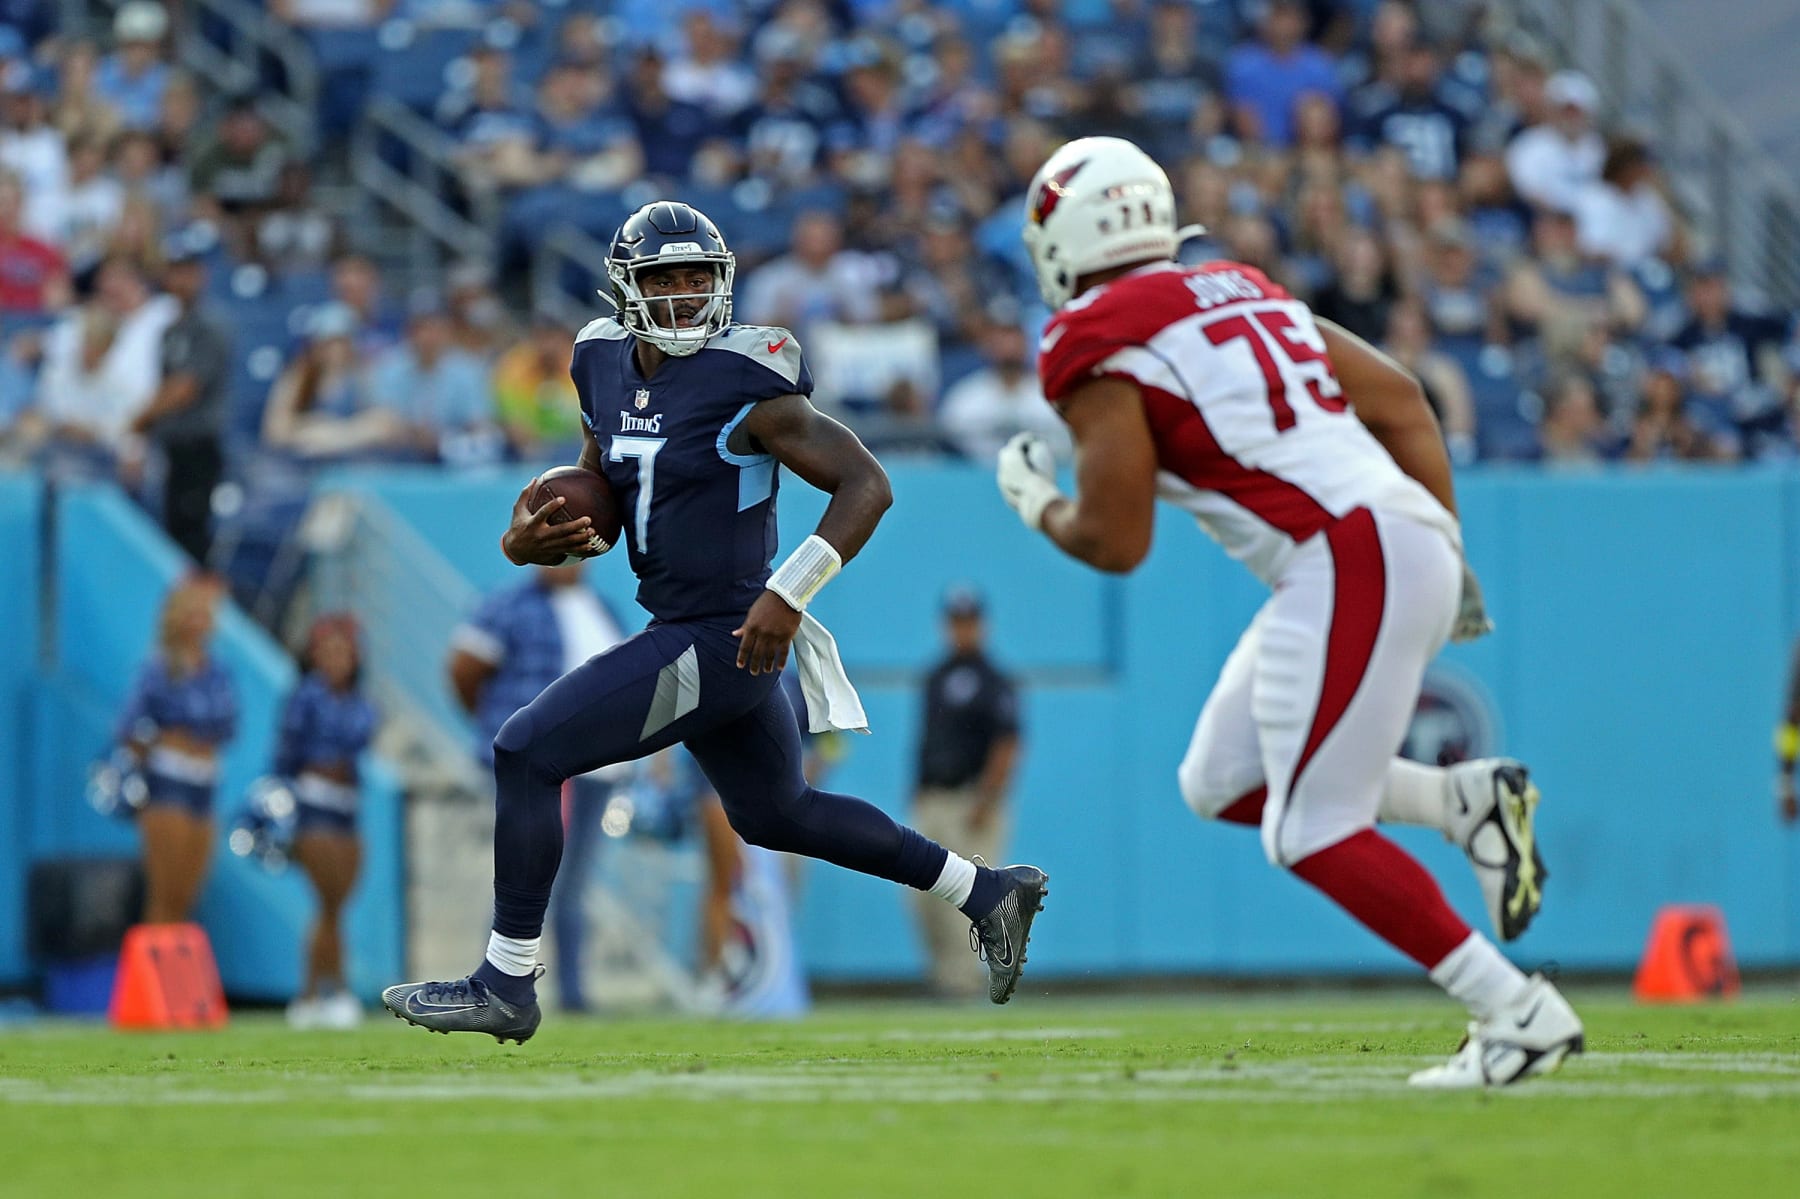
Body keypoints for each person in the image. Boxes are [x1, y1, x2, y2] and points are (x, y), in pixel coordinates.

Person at [384, 201, 1048, 1041]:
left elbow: (867, 483)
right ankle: (987, 892)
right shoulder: (598, 360)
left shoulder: (748, 377)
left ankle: (506, 981)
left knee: (525, 748)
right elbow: (608, 490)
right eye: (667, 277)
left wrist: (789, 590)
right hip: (701, 630)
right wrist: (527, 540)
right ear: (629, 287)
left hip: (721, 632)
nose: (688, 292)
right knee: (779, 814)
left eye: (700, 275)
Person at [1002, 136, 1580, 1089]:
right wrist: (1443, 540)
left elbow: (1116, 540)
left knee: (1311, 828)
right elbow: (1402, 403)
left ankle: (1515, 1009)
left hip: (1345, 554)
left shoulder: (1092, 335)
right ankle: (1459, 800)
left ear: (1064, 234)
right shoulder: (1243, 286)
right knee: (1221, 780)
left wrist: (1036, 503)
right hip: (1391, 539)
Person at [446, 559, 630, 1014]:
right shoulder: (507, 605)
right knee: (527, 878)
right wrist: (505, 734)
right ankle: (492, 984)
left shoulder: (601, 606)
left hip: (597, 769)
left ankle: (572, 993)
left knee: (574, 885)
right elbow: (463, 669)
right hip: (545, 766)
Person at [910, 586, 1021, 998]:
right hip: (933, 799)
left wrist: (988, 798)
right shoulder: (936, 677)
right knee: (922, 896)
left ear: (981, 625)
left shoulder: (994, 681)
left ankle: (965, 983)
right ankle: (943, 977)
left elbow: (1008, 743)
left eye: (969, 621)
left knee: (967, 898)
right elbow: (926, 740)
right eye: (956, 622)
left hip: (971, 799)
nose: (963, 630)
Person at [275, 613, 378, 1030]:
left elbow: (357, 748)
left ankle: (325, 992)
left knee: (336, 904)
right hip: (314, 802)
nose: (336, 660)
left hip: (347, 805)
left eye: (344, 652)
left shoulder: (362, 703)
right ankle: (317, 991)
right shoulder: (304, 697)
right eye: (327, 652)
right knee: (327, 901)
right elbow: (285, 756)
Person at [115, 574, 237, 924]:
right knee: (164, 895)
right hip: (169, 780)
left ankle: (175, 975)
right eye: (192, 612)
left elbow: (229, 726)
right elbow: (129, 725)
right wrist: (161, 747)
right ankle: (153, 974)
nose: (200, 621)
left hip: (206, 781)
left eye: (205, 613)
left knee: (187, 895)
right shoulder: (158, 668)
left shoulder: (219, 672)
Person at [128, 234, 231, 563]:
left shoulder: (210, 325)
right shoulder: (170, 329)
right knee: (171, 534)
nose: (179, 279)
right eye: (174, 271)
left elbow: (184, 388)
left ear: (201, 274)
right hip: (169, 446)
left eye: (187, 271)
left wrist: (136, 420)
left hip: (199, 447)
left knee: (193, 537)